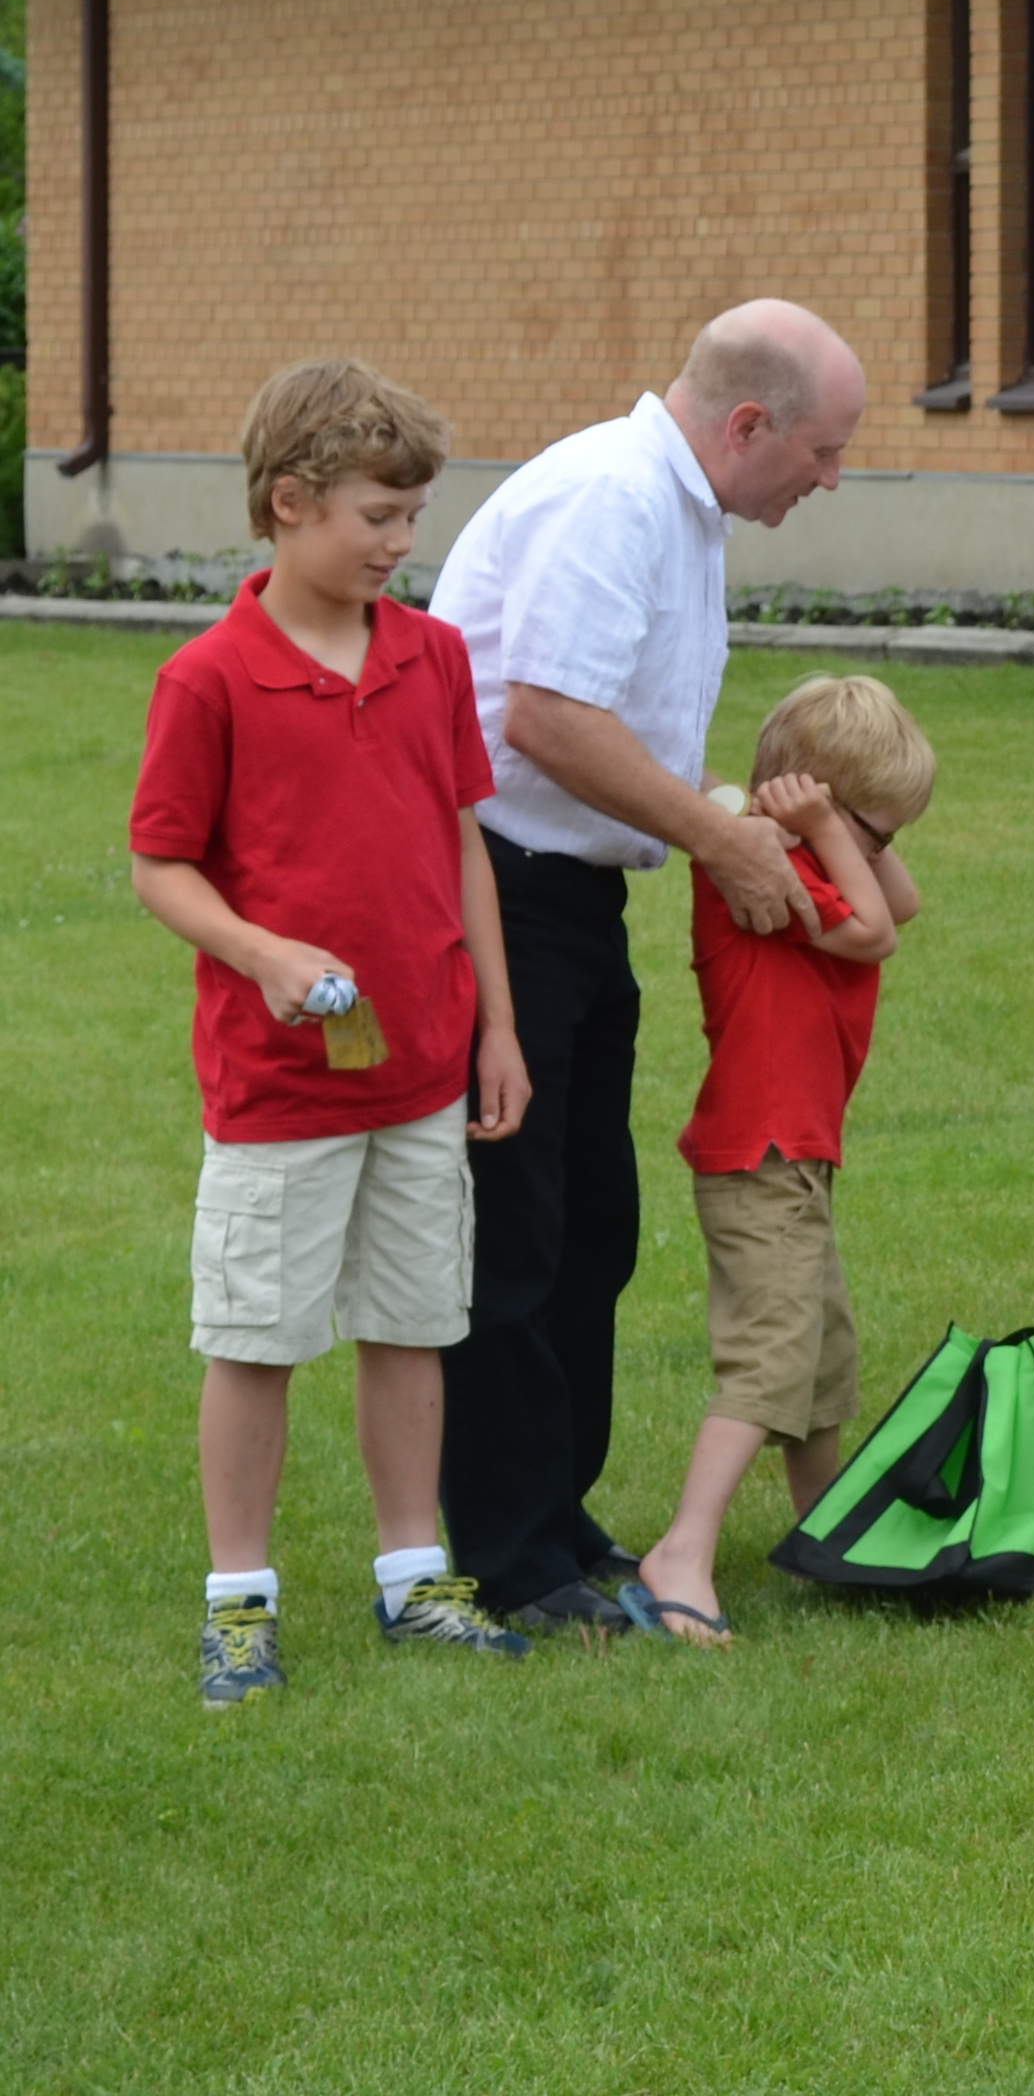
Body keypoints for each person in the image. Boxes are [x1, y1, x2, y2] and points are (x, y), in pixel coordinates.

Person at [428, 300, 861, 1633]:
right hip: (499, 893)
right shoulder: (609, 499)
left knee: (592, 1228)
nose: (830, 479)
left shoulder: (678, 509)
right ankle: (511, 1556)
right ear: (748, 425)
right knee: (521, 1227)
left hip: (577, 898)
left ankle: (558, 1519)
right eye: (824, 451)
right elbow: (549, 720)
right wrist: (723, 842)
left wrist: (706, 805)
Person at [131, 361, 534, 1704]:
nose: (401, 545)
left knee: (413, 1323)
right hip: (278, 1089)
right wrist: (261, 952)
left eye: (414, 518)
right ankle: (237, 1604)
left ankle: (413, 1578)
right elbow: (162, 868)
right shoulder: (210, 681)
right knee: (255, 1339)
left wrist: (497, 1028)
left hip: (422, 1071)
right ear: (289, 504)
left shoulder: (432, 657)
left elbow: (462, 843)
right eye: (378, 517)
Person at [623, 676, 933, 1642]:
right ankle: (682, 1549)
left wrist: (846, 829)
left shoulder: (821, 857)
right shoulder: (755, 872)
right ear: (814, 809)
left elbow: (904, 902)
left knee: (823, 1356)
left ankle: (825, 1529)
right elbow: (876, 935)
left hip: (796, 1153)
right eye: (872, 834)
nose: (882, 856)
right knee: (771, 1356)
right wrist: (825, 830)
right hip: (758, 1153)